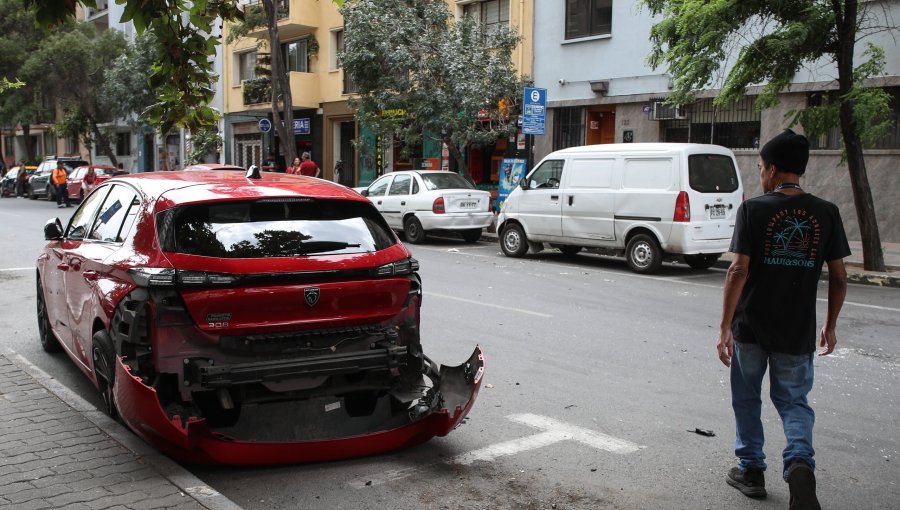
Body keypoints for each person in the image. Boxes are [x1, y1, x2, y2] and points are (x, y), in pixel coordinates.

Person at [717, 129, 849, 509]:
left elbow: (737, 270)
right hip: (797, 330)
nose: (760, 174)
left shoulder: (753, 209)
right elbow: (839, 277)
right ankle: (800, 466)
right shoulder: (827, 212)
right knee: (794, 402)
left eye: (760, 167)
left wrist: (725, 326)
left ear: (773, 170)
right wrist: (831, 324)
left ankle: (752, 470)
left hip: (751, 327)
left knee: (746, 397)